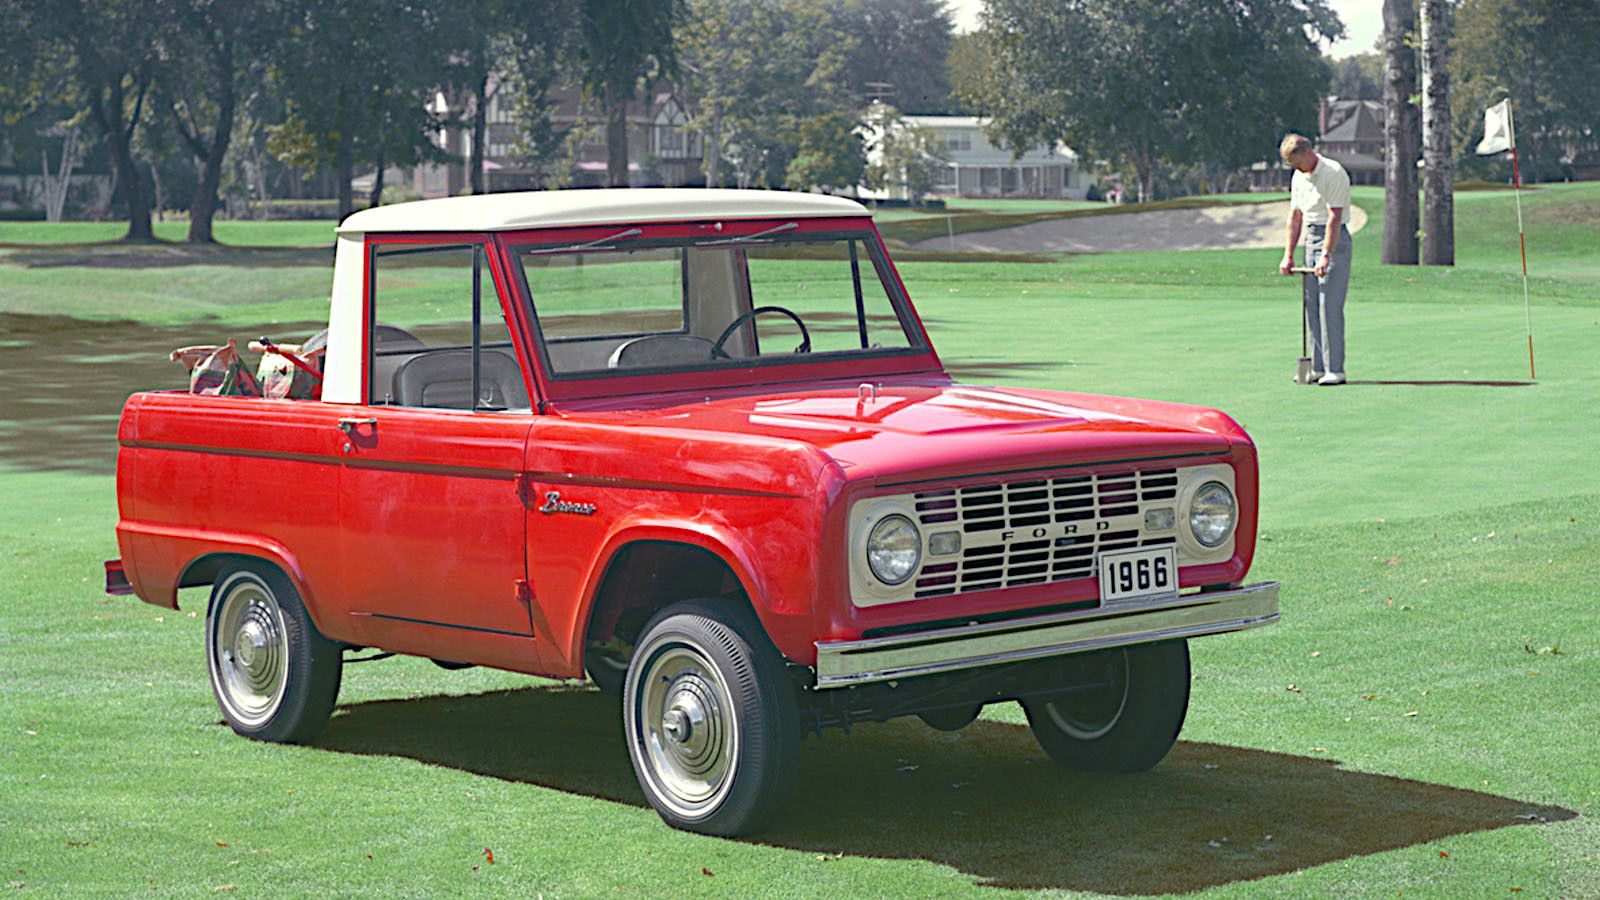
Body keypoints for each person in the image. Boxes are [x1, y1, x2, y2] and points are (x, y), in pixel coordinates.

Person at [1278, 133, 1352, 386]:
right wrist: (1288, 255)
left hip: (1335, 240)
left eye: (1298, 162)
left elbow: (1334, 217)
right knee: (1311, 306)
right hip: (1310, 237)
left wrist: (1326, 255)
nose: (1296, 168)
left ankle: (1336, 369)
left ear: (1308, 153)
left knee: (1329, 305)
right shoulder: (1299, 176)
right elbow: (1295, 217)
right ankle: (1318, 367)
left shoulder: (1333, 172)